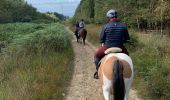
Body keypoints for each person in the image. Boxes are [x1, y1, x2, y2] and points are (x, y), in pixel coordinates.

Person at [94, 9, 130, 79]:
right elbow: (127, 38)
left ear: (109, 17)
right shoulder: (123, 26)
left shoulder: (105, 26)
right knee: (128, 56)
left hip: (107, 47)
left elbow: (101, 39)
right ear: (116, 16)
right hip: (120, 47)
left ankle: (98, 71)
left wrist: (104, 42)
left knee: (96, 56)